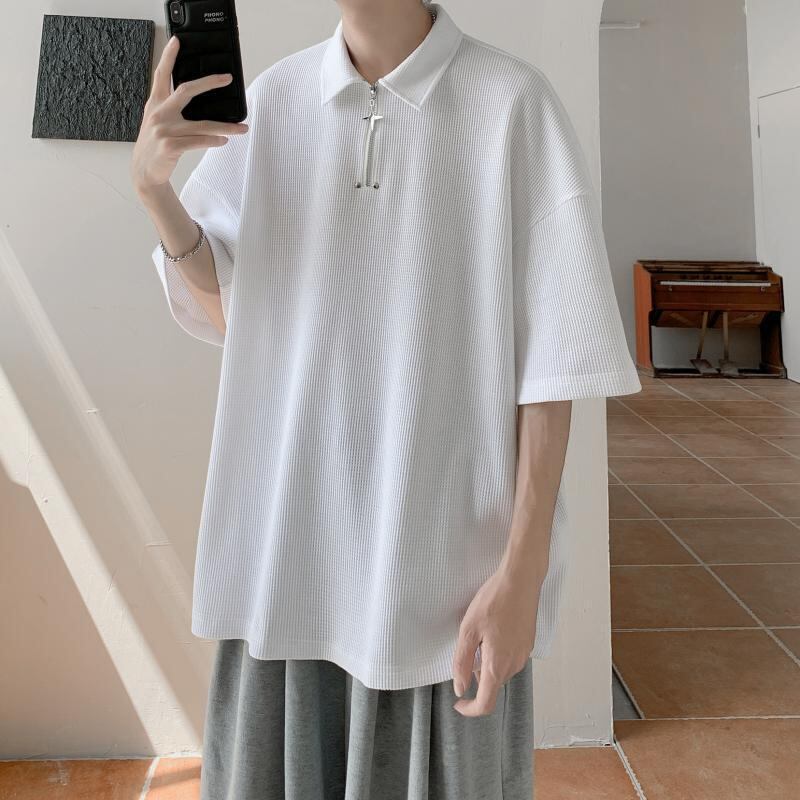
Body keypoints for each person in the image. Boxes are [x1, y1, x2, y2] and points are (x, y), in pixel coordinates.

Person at [131, 1, 641, 797]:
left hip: (446, 573)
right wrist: (156, 191)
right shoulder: (274, 101)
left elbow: (556, 364)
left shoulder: (513, 103)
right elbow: (236, 310)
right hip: (292, 547)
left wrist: (524, 569)